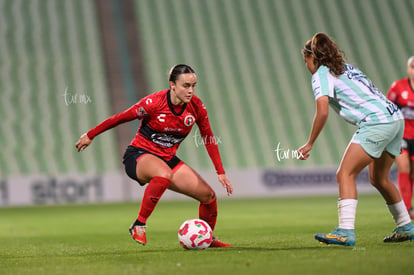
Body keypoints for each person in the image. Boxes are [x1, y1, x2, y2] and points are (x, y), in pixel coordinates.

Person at [76, 64, 233, 247]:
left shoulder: (196, 107)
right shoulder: (154, 103)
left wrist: (220, 171)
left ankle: (207, 238)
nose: (190, 91)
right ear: (172, 85)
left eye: (193, 85)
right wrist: (90, 135)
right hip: (138, 155)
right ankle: (139, 225)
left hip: (166, 159)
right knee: (163, 174)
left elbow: (208, 137)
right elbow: (120, 118)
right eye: (186, 86)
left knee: (208, 196)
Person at [298, 32, 414, 246]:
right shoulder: (347, 68)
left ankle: (345, 231)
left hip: (377, 122)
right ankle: (406, 225)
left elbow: (322, 112)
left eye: (305, 59)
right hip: (395, 118)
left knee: (345, 173)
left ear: (312, 57)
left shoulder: (321, 74)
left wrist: (310, 143)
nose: (306, 64)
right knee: (379, 178)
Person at [387, 56, 414, 219]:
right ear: (408, 69)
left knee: (412, 173)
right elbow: (388, 108)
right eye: (413, 67)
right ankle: (405, 208)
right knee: (404, 167)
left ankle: (408, 207)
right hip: (402, 135)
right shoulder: (398, 87)